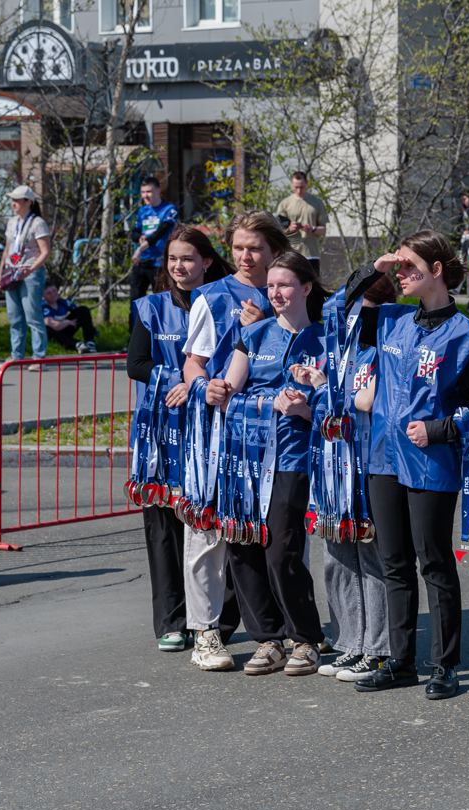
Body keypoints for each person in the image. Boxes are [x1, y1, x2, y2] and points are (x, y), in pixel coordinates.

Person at [351, 231, 469, 700]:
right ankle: (400, 661)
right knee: (394, 562)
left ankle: (445, 665)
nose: (401, 273)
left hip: (430, 462)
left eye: (410, 265)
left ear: (437, 270)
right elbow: (340, 312)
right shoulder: (393, 320)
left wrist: (438, 431)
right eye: (398, 267)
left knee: (433, 563)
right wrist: (374, 270)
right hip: (384, 459)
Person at [208, 252, 327, 676]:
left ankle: (306, 638)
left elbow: (335, 409)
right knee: (242, 546)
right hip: (245, 457)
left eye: (285, 285)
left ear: (307, 288)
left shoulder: (325, 340)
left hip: (293, 458)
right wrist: (216, 391)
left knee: (281, 551)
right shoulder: (254, 335)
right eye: (271, 286)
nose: (275, 293)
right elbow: (227, 391)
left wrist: (303, 411)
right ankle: (268, 638)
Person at [178, 212, 280, 670]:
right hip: (220, 432)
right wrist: (207, 386)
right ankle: (205, 633)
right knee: (207, 533)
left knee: (267, 536)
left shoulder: (287, 291)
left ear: (273, 250)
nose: (245, 256)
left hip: (273, 434)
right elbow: (194, 362)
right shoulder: (212, 297)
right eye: (239, 247)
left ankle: (278, 634)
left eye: (254, 247)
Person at [126, 225, 234, 656]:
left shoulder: (227, 303)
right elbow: (137, 363)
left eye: (187, 258)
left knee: (212, 525)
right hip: (161, 432)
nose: (178, 267)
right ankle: (172, 620)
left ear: (206, 261)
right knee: (164, 527)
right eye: (172, 259)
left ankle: (217, 618)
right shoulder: (149, 308)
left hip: (211, 430)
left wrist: (202, 386)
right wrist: (181, 379)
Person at [311, 273, 399, 683]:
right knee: (338, 554)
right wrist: (317, 386)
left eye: (365, 315)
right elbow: (340, 398)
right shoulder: (342, 349)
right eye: (351, 315)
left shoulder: (388, 348)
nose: (355, 324)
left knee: (373, 556)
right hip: (337, 463)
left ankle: (378, 647)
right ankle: (350, 641)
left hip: (374, 462)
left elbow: (366, 399)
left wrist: (333, 393)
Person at [0, 185, 52, 366]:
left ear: (28, 202)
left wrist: (32, 268)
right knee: (14, 316)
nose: (13, 203)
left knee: (32, 315)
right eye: (12, 200)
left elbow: (45, 251)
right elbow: (7, 249)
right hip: (11, 271)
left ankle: (39, 356)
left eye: (17, 200)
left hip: (30, 273)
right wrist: (0, 273)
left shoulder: (38, 223)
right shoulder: (12, 222)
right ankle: (16, 355)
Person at [129, 177, 179, 301]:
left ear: (158, 190)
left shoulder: (169, 209)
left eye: (149, 192)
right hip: (142, 262)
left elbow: (161, 231)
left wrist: (142, 247)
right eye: (143, 192)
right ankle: (136, 321)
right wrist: (139, 238)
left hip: (159, 263)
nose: (145, 195)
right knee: (135, 301)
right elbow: (134, 232)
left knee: (162, 300)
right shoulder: (142, 211)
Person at [274, 170, 328, 273]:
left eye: (301, 187)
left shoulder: (317, 202)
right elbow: (278, 231)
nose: (299, 190)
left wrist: (312, 229)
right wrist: (290, 228)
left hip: (311, 253)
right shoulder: (285, 204)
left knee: (313, 287)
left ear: (307, 184)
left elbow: (323, 230)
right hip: (291, 253)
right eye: (296, 187)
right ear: (291, 185)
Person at [43, 283, 98, 353]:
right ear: (44, 296)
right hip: (55, 333)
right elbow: (53, 325)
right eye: (49, 293)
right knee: (47, 328)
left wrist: (90, 327)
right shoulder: (44, 307)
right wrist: (67, 322)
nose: (53, 294)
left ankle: (90, 342)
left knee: (83, 310)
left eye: (54, 291)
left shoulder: (63, 302)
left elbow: (79, 312)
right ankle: (76, 344)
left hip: (66, 327)